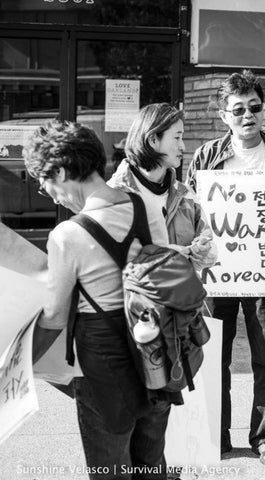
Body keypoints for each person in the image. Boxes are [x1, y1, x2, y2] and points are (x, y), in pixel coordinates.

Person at [27, 120, 174, 479]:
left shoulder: (67, 235)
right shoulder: (144, 207)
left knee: (110, 469)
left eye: (46, 184)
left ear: (61, 171)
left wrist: (17, 363)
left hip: (103, 365)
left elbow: (55, 317)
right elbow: (164, 274)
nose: (51, 194)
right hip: (155, 354)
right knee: (151, 462)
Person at [186, 70, 265, 465]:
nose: (248, 115)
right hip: (215, 277)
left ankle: (263, 437)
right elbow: (189, 211)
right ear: (223, 114)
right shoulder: (205, 156)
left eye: (254, 107)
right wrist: (194, 256)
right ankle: (215, 435)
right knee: (213, 357)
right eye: (238, 110)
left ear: (263, 107)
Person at [108, 103, 217, 271]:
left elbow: (209, 249)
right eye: (177, 137)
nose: (183, 146)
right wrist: (171, 254)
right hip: (134, 296)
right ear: (153, 140)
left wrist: (202, 250)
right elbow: (107, 258)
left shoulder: (185, 194)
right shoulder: (114, 194)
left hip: (181, 295)